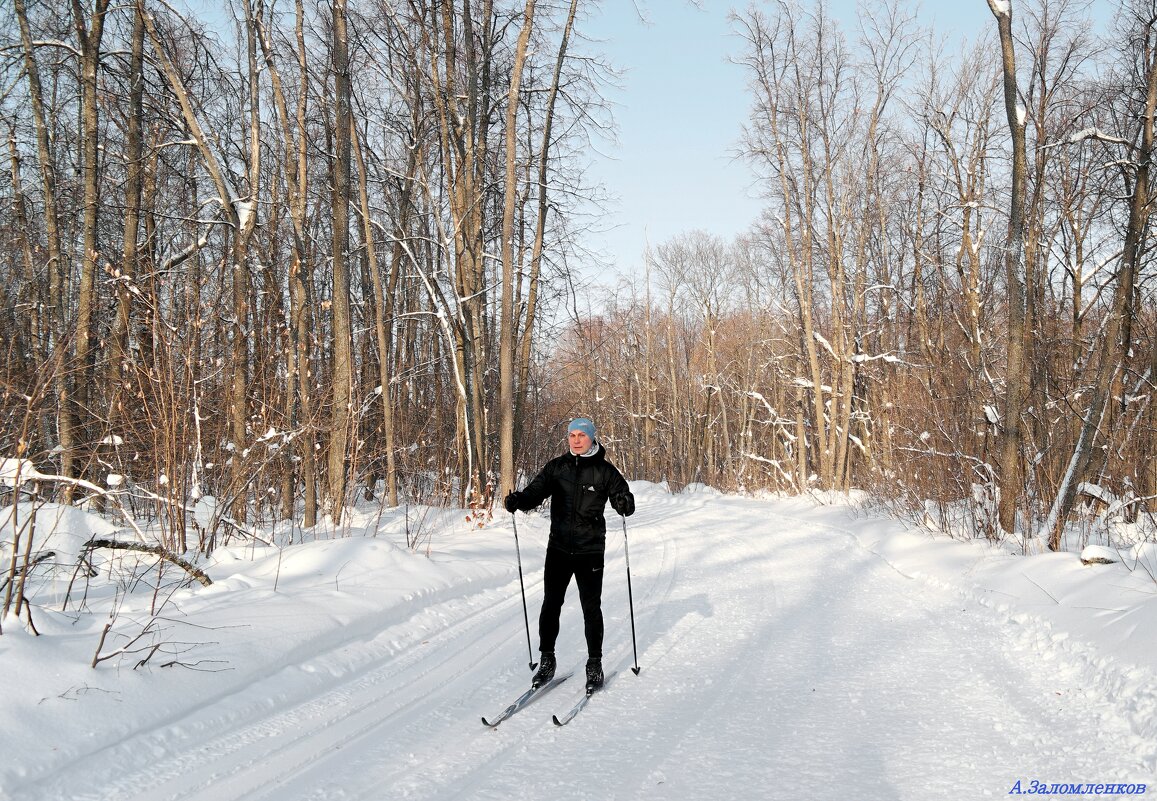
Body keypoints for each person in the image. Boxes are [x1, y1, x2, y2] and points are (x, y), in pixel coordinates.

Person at [504, 417, 635, 693]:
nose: (576, 440)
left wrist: (625, 503)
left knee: (591, 609)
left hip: (590, 551)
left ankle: (594, 664)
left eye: (581, 435)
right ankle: (547, 660)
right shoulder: (557, 468)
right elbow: (535, 493)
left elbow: (623, 498)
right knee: (551, 605)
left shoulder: (604, 471)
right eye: (572, 435)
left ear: (592, 438)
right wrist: (519, 500)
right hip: (559, 550)